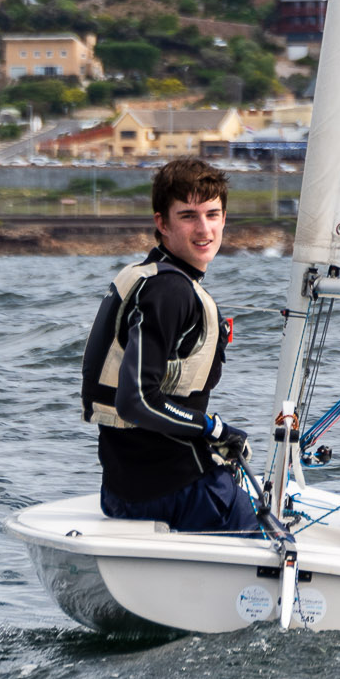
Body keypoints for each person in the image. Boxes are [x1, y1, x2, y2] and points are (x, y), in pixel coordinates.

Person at [80, 155, 256, 534]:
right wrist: (213, 429)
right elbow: (136, 401)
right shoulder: (170, 290)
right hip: (181, 491)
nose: (204, 229)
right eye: (188, 216)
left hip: (123, 493)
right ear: (162, 223)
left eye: (212, 214)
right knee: (281, 548)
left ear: (224, 219)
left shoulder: (145, 276)